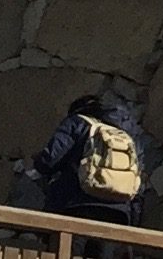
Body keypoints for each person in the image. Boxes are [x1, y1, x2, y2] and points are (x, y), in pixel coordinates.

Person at [21, 92, 147, 225]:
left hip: (76, 204)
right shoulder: (124, 135)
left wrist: (36, 163)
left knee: (68, 245)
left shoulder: (77, 123)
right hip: (118, 212)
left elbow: (50, 160)